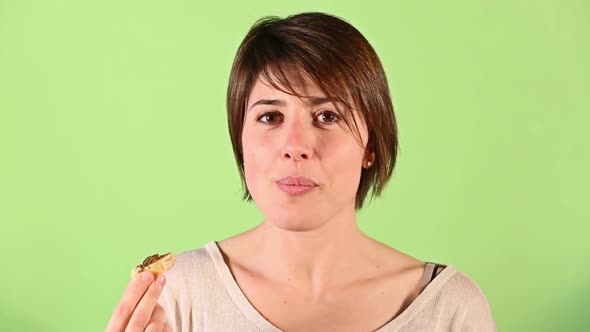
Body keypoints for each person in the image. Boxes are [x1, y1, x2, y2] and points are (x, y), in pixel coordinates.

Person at [106, 12, 496, 332]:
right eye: (270, 116)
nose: (295, 145)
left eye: (327, 115)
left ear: (372, 146)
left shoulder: (450, 309)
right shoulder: (175, 296)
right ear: (240, 140)